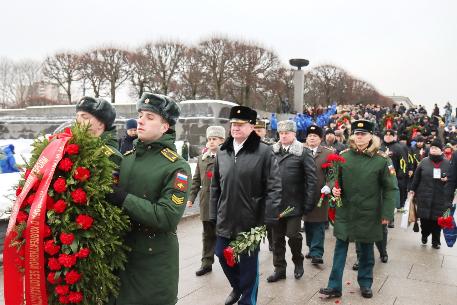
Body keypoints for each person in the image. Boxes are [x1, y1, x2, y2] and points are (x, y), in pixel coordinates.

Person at [106, 92, 191, 305]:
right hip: (122, 260)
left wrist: (124, 198)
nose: (141, 120)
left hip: (153, 265)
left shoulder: (176, 167)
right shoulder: (126, 159)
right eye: (141, 114)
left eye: (150, 117)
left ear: (165, 127)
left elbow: (167, 216)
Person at [210, 105, 282, 305]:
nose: (235, 128)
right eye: (233, 124)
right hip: (225, 217)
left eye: (241, 124)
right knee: (221, 255)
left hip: (252, 219)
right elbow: (215, 186)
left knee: (249, 267)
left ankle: (247, 300)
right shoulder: (222, 152)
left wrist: (269, 217)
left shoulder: (264, 152)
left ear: (251, 127)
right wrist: (212, 214)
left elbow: (274, 187)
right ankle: (238, 287)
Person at [319, 120, 398, 299]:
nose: (359, 137)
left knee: (366, 251)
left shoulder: (381, 159)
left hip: (369, 212)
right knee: (340, 249)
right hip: (346, 210)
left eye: (363, 134)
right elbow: (332, 178)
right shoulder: (344, 156)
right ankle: (334, 286)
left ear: (371, 136)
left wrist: (387, 213)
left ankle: (365, 283)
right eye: (357, 133)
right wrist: (334, 187)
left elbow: (390, 188)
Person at [267, 120, 317, 283]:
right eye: (281, 133)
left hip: (294, 203)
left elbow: (311, 179)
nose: (283, 136)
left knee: (293, 235)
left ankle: (298, 260)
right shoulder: (272, 151)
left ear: (294, 134)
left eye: (286, 133)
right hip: (275, 203)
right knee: (277, 238)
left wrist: (309, 203)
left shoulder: (302, 152)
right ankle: (279, 269)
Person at [187, 125, 226, 276]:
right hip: (205, 200)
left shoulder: (227, 157)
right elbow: (196, 180)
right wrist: (191, 198)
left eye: (214, 139)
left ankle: (229, 259)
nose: (211, 142)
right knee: (207, 233)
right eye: (209, 139)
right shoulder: (202, 158)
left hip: (222, 200)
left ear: (222, 140)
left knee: (223, 232)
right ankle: (206, 262)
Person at [410, 139, 451, 249]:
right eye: (432, 148)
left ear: (441, 150)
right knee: (424, 220)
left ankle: (436, 241)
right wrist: (412, 189)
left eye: (436, 148)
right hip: (424, 195)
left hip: (440, 196)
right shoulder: (424, 161)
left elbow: (452, 179)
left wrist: (447, 179)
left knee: (437, 220)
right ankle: (424, 234)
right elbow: (416, 177)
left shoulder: (448, 163)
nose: (433, 150)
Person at [303, 125, 333, 265]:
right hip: (304, 194)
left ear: (321, 139)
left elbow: (333, 174)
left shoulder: (328, 153)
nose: (312, 138)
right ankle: (311, 247)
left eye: (315, 136)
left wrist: (329, 185)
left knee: (319, 224)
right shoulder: (300, 151)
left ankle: (317, 253)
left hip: (320, 194)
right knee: (308, 223)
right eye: (310, 136)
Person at [75, 96, 123, 166]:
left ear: (100, 124)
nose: (78, 121)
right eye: (77, 116)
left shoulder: (111, 156)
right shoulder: (78, 147)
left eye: (85, 117)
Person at [253, 118, 275, 251]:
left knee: (268, 221)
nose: (256, 132)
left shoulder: (269, 148)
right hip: (251, 189)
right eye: (254, 130)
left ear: (264, 132)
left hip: (265, 189)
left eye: (259, 130)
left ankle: (272, 241)